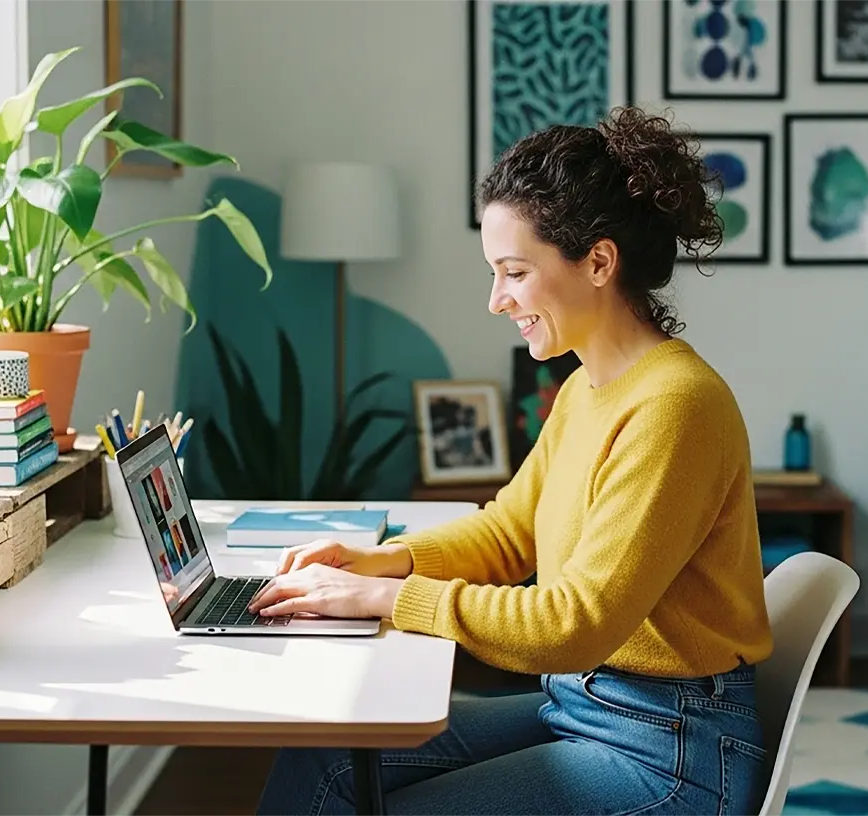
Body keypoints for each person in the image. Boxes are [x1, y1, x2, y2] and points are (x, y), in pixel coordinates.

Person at [248, 105, 773, 815]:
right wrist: (380, 562)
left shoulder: (675, 406)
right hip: (589, 704)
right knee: (328, 756)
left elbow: (575, 623)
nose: (497, 301)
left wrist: (389, 601)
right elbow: (506, 533)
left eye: (514, 272)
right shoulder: (591, 387)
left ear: (597, 261)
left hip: (669, 750)